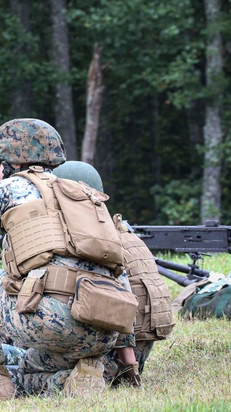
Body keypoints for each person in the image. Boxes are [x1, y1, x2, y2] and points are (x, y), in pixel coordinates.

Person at [0, 119, 134, 400]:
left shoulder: (5, 190)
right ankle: (74, 380)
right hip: (101, 331)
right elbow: (119, 273)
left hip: (51, 323)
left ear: (12, 162)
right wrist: (127, 356)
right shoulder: (87, 195)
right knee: (27, 370)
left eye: (0, 162)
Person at [52, 160, 174, 386]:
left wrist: (127, 368)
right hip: (134, 356)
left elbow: (119, 307)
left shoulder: (94, 243)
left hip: (107, 361)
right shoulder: (124, 234)